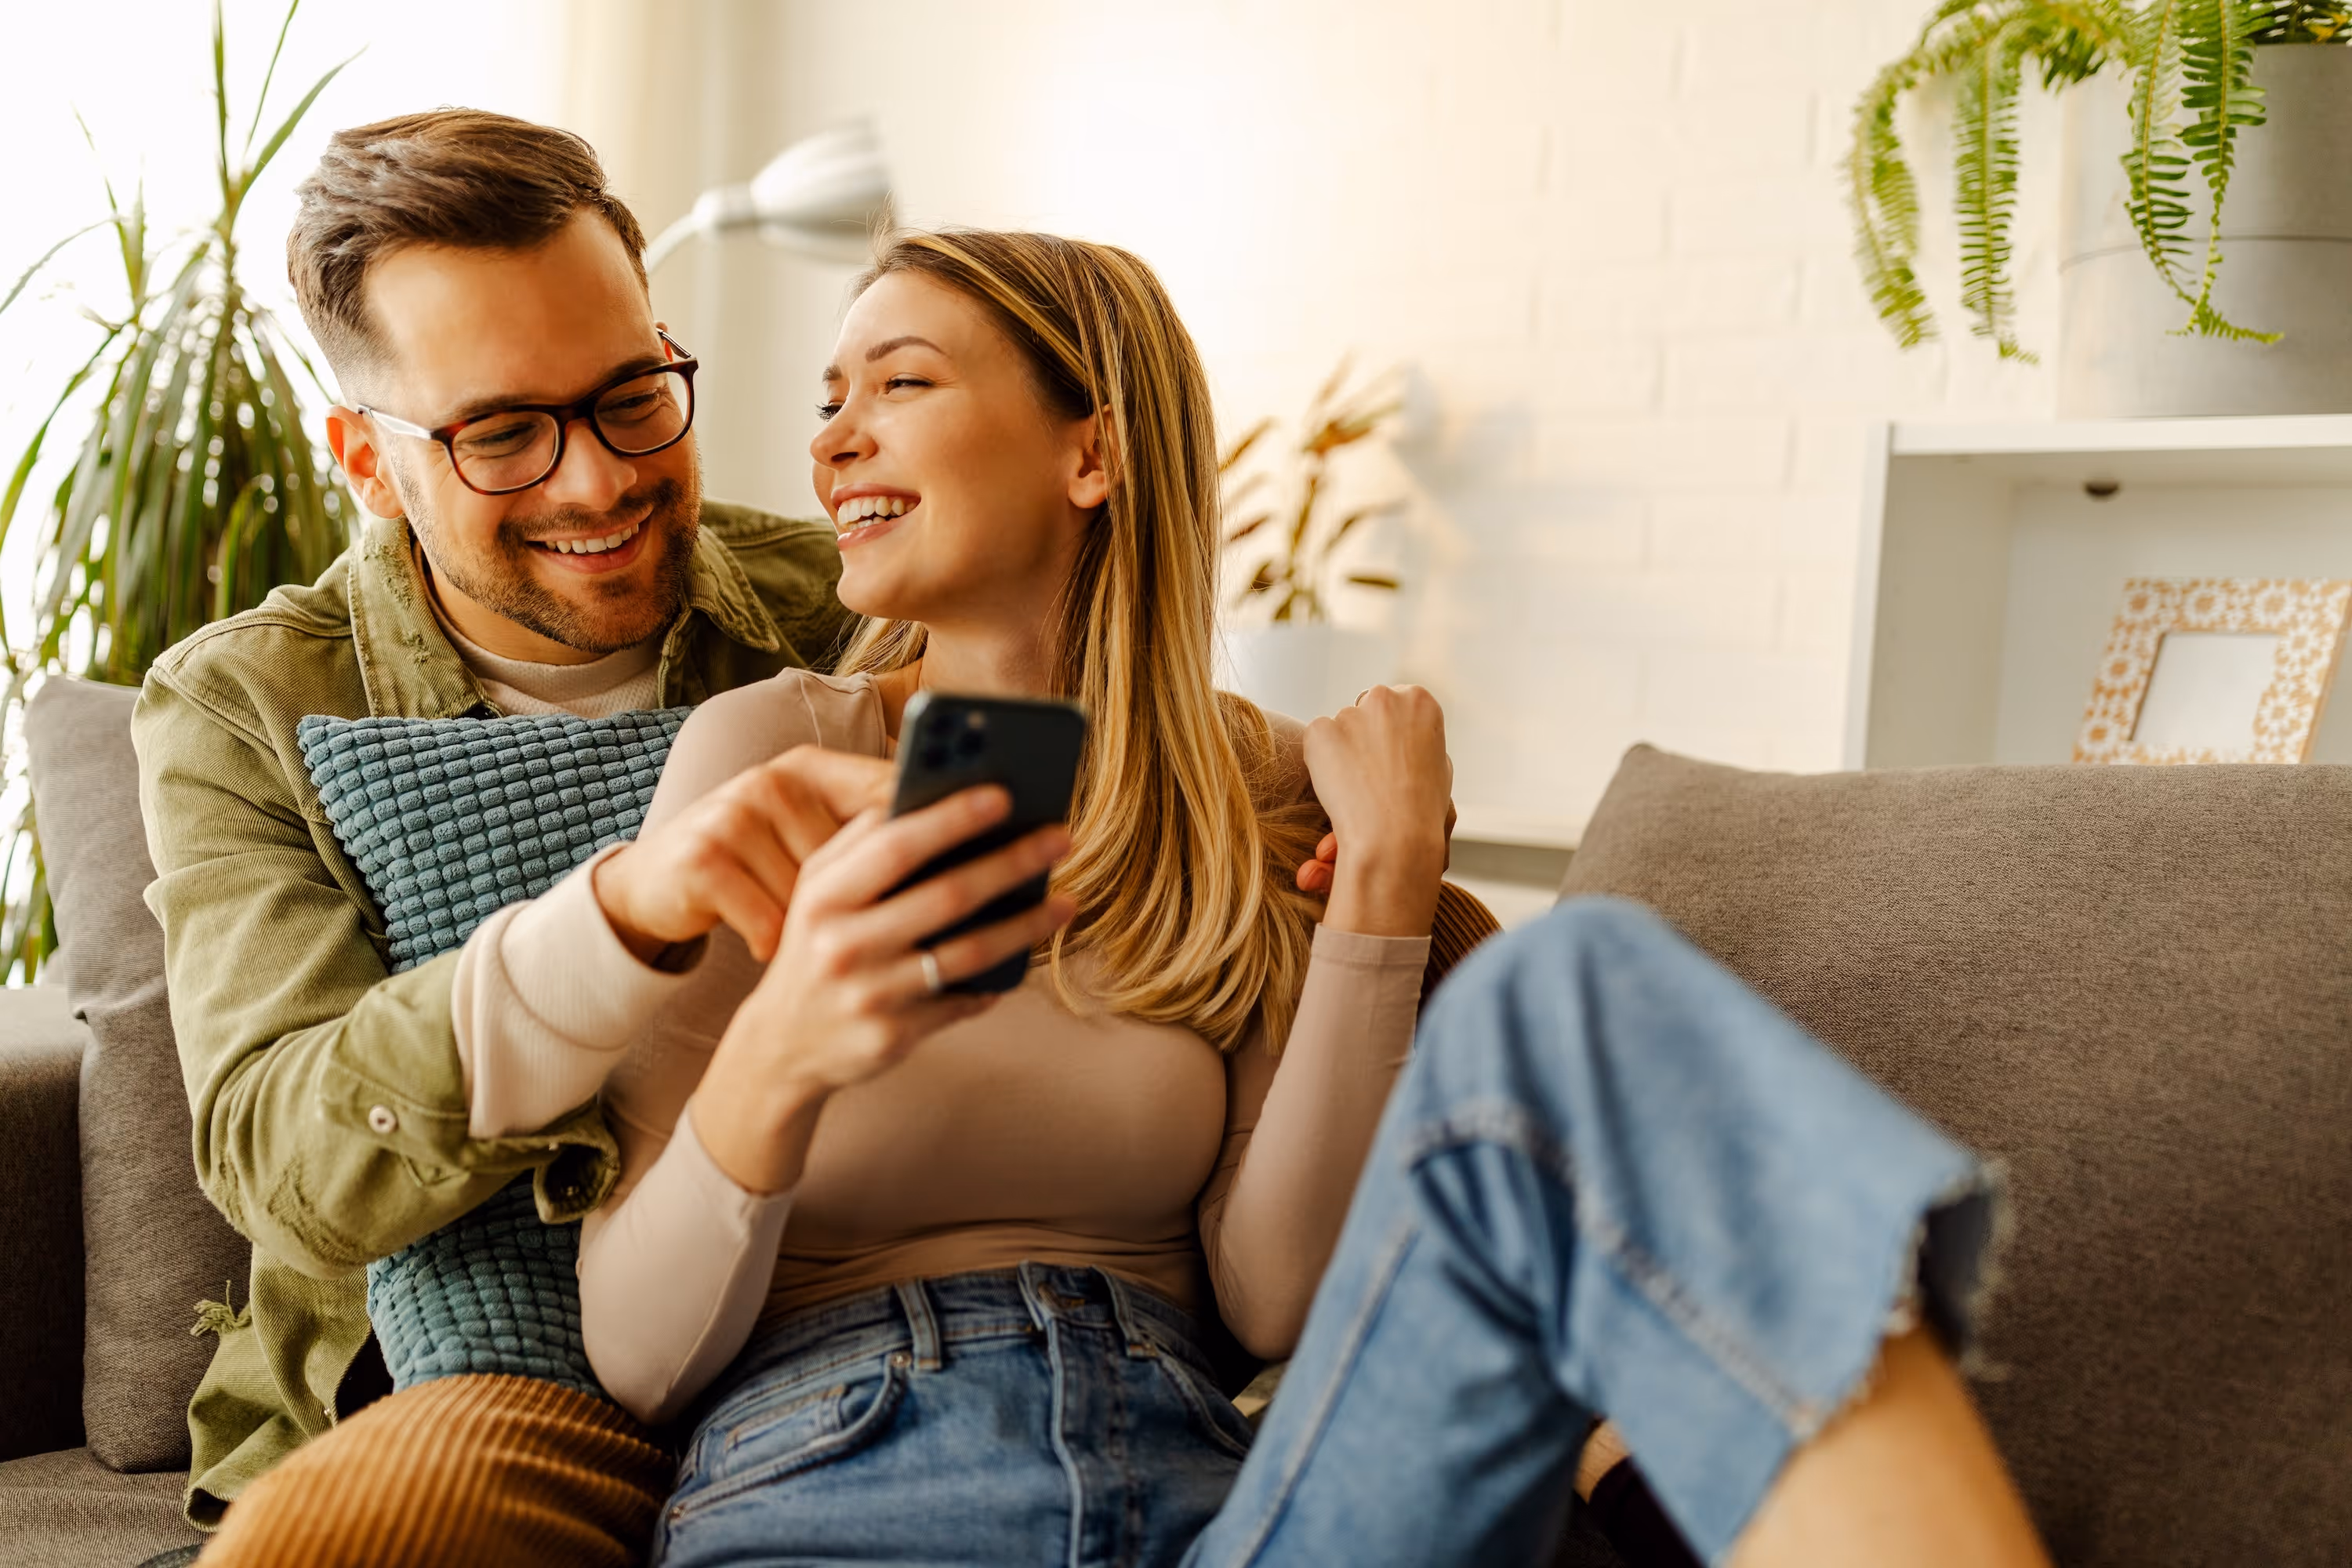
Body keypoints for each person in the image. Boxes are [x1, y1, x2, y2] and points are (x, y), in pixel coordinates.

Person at [444, 228, 2053, 1566]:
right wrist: (787, 1048)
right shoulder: (774, 753)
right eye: (830, 398)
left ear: (1092, 450)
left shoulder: (1257, 790)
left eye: (901, 383)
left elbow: (1276, 1295)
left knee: (1582, 983)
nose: (833, 440)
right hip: (849, 1481)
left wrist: (1385, 894)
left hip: (1223, 1499)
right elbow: (634, 1357)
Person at [132, 107, 860, 1555]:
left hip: (848, 1331)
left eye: (633, 394)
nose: (598, 482)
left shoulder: (850, 606)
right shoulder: (248, 704)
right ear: (364, 457)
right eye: (503, 434)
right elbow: (284, 1158)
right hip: (479, 1387)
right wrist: (613, 928)